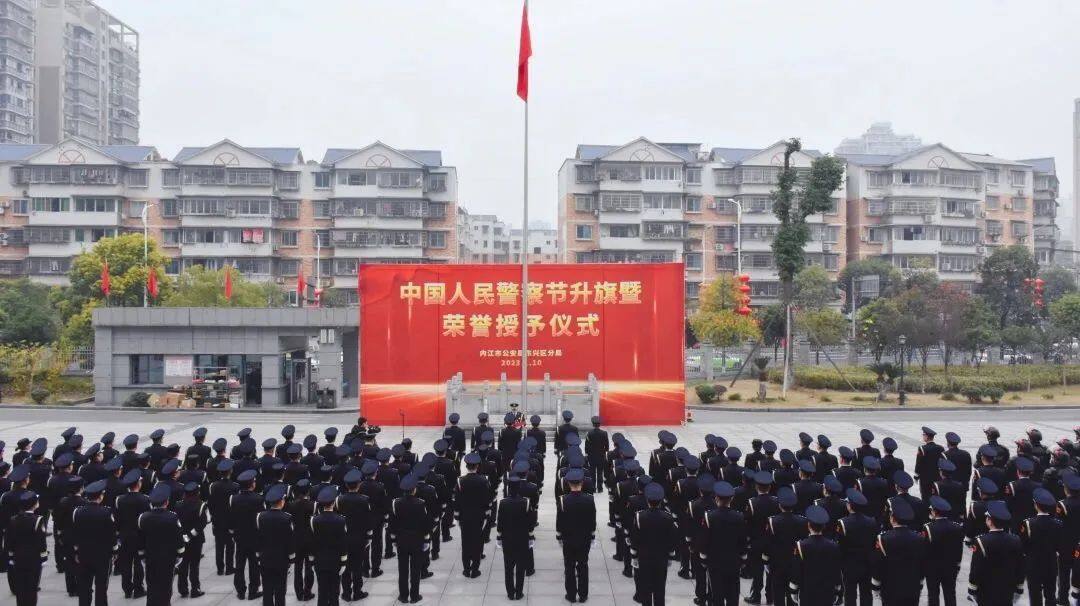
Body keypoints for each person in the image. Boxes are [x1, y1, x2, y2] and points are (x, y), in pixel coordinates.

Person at [968, 501, 1026, 606]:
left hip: (986, 589)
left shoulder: (981, 541)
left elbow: (976, 568)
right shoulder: (1015, 540)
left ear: (990, 522)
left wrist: (972, 589)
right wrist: (1019, 587)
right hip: (1007, 589)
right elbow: (1020, 566)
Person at [872, 499, 927, 606]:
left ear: (892, 519)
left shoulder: (883, 539)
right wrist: (920, 582)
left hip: (890, 587)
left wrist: (876, 585)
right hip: (912, 587)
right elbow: (922, 563)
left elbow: (878, 563)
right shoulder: (919, 538)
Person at [630, 482, 678, 606]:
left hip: (644, 558)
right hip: (661, 559)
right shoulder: (668, 517)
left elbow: (635, 538)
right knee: (660, 589)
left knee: (645, 589)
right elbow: (672, 539)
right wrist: (670, 556)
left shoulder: (640, 516)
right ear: (661, 501)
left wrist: (634, 556)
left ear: (647, 500)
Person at [70, 479, 116, 606]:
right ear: (100, 496)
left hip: (84, 553)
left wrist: (76, 551)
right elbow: (111, 535)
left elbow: (75, 534)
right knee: (101, 587)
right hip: (102, 555)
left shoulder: (77, 512)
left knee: (84, 586)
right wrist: (115, 550)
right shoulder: (106, 512)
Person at [702, 480, 748, 606]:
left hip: (715, 562)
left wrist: (703, 558)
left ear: (716, 498)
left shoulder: (709, 517)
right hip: (733, 561)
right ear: (731, 499)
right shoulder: (739, 517)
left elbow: (705, 540)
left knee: (717, 595)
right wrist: (743, 559)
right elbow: (743, 541)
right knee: (733, 594)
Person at [139, 484, 184, 606]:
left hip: (150, 557)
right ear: (167, 502)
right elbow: (178, 538)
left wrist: (142, 556)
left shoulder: (143, 517)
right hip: (167, 558)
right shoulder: (172, 517)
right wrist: (180, 554)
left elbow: (140, 540)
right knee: (166, 587)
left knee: (151, 587)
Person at [789, 505, 843, 606]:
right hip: (827, 591)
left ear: (808, 525)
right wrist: (837, 589)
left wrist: (793, 590)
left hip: (807, 591)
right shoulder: (833, 546)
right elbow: (836, 569)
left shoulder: (801, 546)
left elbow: (796, 570)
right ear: (824, 526)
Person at [1019, 489, 1064, 606]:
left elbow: (1023, 545)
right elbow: (1059, 546)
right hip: (1050, 563)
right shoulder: (1058, 524)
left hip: (1033, 564)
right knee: (1050, 594)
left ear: (1035, 505)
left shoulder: (1028, 524)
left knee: (1035, 595)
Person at [557, 467, 596, 603]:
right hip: (584, 538)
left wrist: (559, 536)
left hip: (568, 539)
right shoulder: (589, 499)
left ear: (568, 483)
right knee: (583, 565)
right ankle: (583, 594)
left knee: (569, 567)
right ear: (582, 483)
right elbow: (592, 521)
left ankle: (571, 595)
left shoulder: (563, 500)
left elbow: (559, 522)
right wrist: (592, 535)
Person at [390, 473, 429, 604]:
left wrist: (393, 539)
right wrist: (426, 539)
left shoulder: (396, 503)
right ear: (414, 490)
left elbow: (392, 524)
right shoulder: (421, 503)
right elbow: (425, 524)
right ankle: (414, 595)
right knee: (415, 569)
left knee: (402, 569)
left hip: (401, 540)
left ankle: (403, 595)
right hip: (416, 540)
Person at [765, 487, 808, 606]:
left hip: (777, 562)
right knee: (792, 594)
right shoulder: (802, 521)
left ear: (779, 505)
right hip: (794, 562)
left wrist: (766, 560)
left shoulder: (773, 521)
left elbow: (768, 543)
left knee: (778, 593)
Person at [837, 489, 879, 606]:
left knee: (850, 594)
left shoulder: (843, 523)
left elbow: (841, 546)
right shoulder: (871, 521)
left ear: (849, 506)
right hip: (866, 562)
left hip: (850, 564)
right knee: (866, 593)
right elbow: (873, 543)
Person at [497, 472, 533, 600]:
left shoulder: (503, 502)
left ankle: (510, 593)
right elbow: (530, 523)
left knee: (508, 568)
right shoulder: (526, 502)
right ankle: (519, 592)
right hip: (522, 539)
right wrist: (530, 536)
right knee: (520, 568)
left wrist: (499, 537)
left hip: (508, 539)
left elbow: (500, 522)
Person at [6, 491, 47, 606]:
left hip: (18, 557)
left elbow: (9, 540)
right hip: (33, 558)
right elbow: (41, 541)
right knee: (32, 588)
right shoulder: (38, 520)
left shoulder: (13, 519)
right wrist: (44, 557)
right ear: (34, 505)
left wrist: (11, 556)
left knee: (21, 587)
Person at [257, 484, 295, 606]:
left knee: (267, 589)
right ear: (281, 502)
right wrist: (291, 557)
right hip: (281, 559)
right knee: (280, 590)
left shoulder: (260, 516)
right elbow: (289, 540)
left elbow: (258, 537)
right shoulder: (287, 518)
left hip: (265, 557)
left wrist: (258, 554)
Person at [114, 469, 149, 599]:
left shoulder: (119, 500)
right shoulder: (144, 499)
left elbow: (117, 519)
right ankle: (138, 588)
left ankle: (127, 589)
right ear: (138, 483)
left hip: (124, 536)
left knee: (126, 564)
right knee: (138, 563)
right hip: (139, 536)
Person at [455, 452, 491, 578]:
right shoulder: (483, 480)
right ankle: (475, 570)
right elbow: (487, 500)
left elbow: (457, 501)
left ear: (466, 466)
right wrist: (487, 514)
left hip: (465, 516)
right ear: (477, 466)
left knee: (465, 542)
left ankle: (466, 569)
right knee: (477, 542)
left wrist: (457, 517)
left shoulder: (460, 481)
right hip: (479, 516)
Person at [338, 467, 372, 601]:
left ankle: (346, 593)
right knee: (357, 566)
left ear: (347, 485)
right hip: (359, 537)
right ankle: (357, 592)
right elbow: (367, 520)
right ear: (359, 484)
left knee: (346, 566)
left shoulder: (339, 499)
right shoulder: (364, 500)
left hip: (345, 537)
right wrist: (369, 536)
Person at [923, 496, 963, 606]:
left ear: (934, 512)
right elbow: (959, 549)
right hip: (950, 566)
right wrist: (957, 564)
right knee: (950, 594)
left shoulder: (928, 528)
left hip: (933, 568)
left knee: (933, 595)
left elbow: (925, 550)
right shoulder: (957, 527)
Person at [230, 468, 264, 599]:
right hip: (254, 536)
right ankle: (253, 590)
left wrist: (233, 531)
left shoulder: (234, 499)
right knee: (254, 564)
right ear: (252, 484)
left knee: (239, 564)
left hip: (239, 536)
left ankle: (240, 590)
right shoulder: (258, 499)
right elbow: (260, 520)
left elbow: (231, 518)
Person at [311, 486, 348, 606]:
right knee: (334, 593)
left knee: (322, 592)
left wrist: (312, 560)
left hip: (320, 561)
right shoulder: (341, 520)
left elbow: (313, 542)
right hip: (335, 561)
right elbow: (342, 543)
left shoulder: (314, 520)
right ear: (333, 503)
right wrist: (343, 561)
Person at [175, 481, 208, 598]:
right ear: (197, 493)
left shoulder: (178, 505)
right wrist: (190, 535)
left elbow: (176, 522)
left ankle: (183, 589)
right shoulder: (200, 505)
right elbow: (202, 523)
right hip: (195, 540)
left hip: (182, 539)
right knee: (194, 565)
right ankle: (195, 589)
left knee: (183, 564)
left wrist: (184, 535)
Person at [287, 480, 317, 601]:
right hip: (310, 538)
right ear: (308, 491)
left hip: (297, 538)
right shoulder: (313, 505)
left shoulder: (291, 505)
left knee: (298, 567)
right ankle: (307, 591)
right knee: (309, 566)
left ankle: (299, 593)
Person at [584, 417, 609, 494]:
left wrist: (587, 454)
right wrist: (604, 451)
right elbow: (607, 446)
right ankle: (600, 488)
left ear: (593, 424)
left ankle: (593, 488)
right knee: (600, 472)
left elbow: (587, 446)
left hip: (591, 456)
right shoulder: (604, 433)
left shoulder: (589, 433)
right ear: (599, 424)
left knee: (592, 472)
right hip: (601, 455)